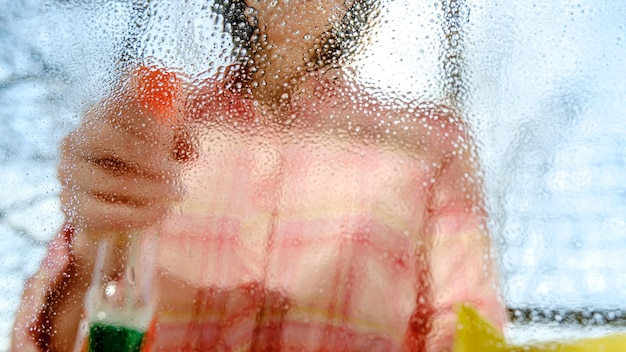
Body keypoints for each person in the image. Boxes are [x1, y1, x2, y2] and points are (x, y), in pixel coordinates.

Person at [12, 0, 507, 350]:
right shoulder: (156, 127)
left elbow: (466, 331)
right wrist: (93, 250)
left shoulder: (428, 145)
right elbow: (49, 338)